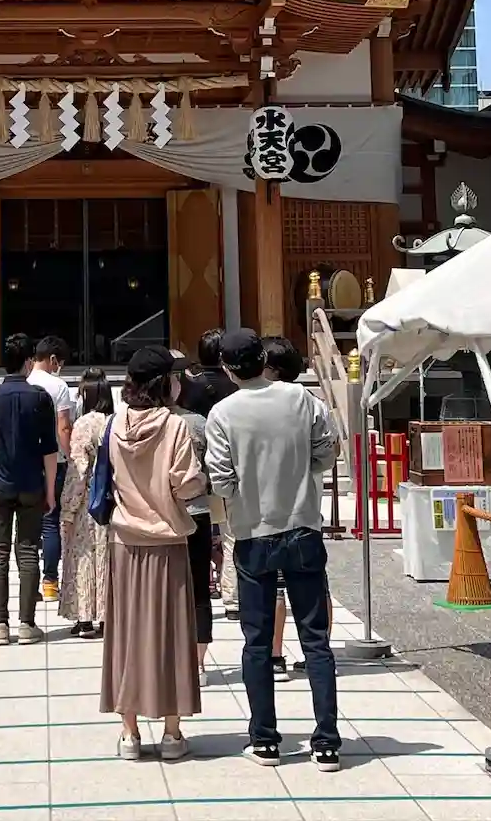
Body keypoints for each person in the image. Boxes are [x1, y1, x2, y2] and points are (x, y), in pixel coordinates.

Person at [206, 328, 341, 772]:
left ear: (226, 368)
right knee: (316, 640)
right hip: (302, 524)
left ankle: (264, 738)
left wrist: (245, 490)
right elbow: (327, 452)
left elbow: (220, 479)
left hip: (252, 530)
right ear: (263, 359)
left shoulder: (223, 412)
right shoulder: (301, 398)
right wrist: (301, 472)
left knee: (258, 642)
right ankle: (326, 742)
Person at [101, 346, 205, 763]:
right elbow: (185, 484)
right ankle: (171, 732)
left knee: (126, 635)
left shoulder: (114, 424)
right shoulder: (175, 427)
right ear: (165, 382)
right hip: (167, 539)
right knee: (171, 636)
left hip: (125, 539)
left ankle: (129, 732)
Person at [0, 331, 58, 646]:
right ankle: (26, 623)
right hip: (31, 483)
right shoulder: (40, 398)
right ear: (28, 362)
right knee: (28, 551)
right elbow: (50, 451)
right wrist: (51, 490)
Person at [262, 337, 335, 682]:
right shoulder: (315, 405)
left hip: (270, 508)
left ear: (271, 369)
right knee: (316, 583)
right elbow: (329, 453)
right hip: (307, 505)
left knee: (276, 586)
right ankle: (318, 652)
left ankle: (275, 655)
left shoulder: (259, 406)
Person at [184, 330, 240, 618]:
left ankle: (202, 586)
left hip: (195, 471)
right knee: (231, 536)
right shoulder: (234, 387)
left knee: (196, 533)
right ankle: (233, 599)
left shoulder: (189, 387)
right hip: (227, 467)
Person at [58, 367, 113, 636]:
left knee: (83, 558)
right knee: (107, 559)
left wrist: (68, 508)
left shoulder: (83, 424)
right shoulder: (115, 421)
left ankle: (85, 616)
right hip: (112, 500)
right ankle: (107, 615)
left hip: (87, 502)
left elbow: (78, 470)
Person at [174, 373, 214, 683]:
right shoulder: (198, 423)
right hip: (198, 508)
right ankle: (198, 663)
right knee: (199, 587)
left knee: (166, 589)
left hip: (162, 514)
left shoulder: (147, 423)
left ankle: (171, 658)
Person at [28, 335, 73, 601]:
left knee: (26, 525)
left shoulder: (24, 382)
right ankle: (50, 583)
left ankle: (29, 584)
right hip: (54, 462)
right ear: (53, 359)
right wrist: (71, 455)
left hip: (26, 463)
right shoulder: (58, 386)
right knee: (50, 521)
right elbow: (63, 427)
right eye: (60, 363)